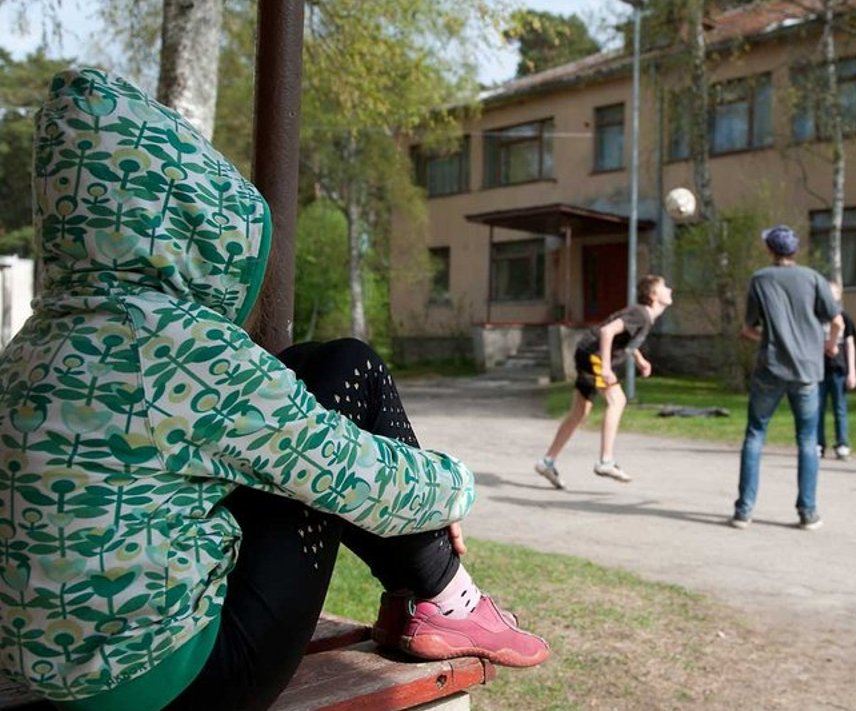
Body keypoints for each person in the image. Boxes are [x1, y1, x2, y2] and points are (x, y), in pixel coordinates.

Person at [0, 68, 548, 711]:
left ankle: (436, 597)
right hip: (181, 681)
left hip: (51, 668)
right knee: (349, 374)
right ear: (189, 222)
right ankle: (447, 598)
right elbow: (360, 479)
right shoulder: (178, 348)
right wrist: (453, 487)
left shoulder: (33, 345)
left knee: (315, 365)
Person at [731, 225, 842, 531]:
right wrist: (830, 345)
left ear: (770, 250)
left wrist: (766, 337)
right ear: (795, 250)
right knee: (807, 440)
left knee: (755, 434)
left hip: (771, 368)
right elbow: (837, 320)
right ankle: (807, 512)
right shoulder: (813, 278)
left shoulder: (760, 279)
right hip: (807, 370)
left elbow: (749, 328)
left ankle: (744, 511)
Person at [534, 275, 673, 488]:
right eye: (665, 287)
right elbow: (607, 332)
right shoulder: (641, 314)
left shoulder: (644, 316)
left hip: (586, 351)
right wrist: (606, 366)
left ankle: (547, 461)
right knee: (618, 401)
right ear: (654, 295)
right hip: (594, 354)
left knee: (579, 412)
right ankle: (605, 461)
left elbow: (626, 341)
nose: (670, 290)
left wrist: (640, 360)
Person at [818, 282, 856, 460]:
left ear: (839, 296)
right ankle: (818, 444)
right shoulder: (816, 317)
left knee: (839, 408)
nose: (830, 296)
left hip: (838, 369)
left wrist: (852, 371)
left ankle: (842, 444)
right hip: (818, 369)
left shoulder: (844, 317)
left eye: (833, 293)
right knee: (816, 409)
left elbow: (850, 344)